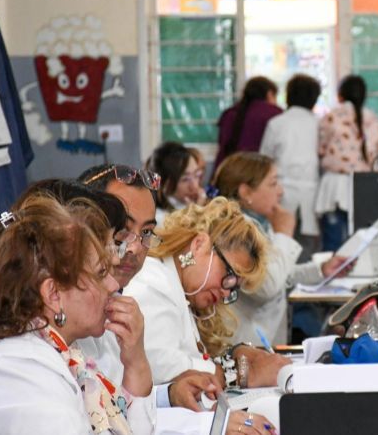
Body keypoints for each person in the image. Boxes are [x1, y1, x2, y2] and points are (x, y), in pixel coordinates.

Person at [79, 165, 276, 433]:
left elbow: (116, 403)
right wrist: (226, 382)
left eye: (146, 232)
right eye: (122, 230)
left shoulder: (129, 293)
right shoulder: (149, 284)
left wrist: (170, 395)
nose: (135, 247)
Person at [0, 194, 155, 434]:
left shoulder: (46, 351)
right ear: (53, 294)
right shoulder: (20, 375)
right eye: (100, 273)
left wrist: (135, 363)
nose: (113, 286)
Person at [126, 198, 291, 391]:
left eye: (234, 288)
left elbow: (187, 358)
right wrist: (240, 373)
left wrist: (232, 357)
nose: (225, 292)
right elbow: (162, 367)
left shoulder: (178, 288)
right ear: (199, 244)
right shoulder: (153, 282)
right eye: (229, 276)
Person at [213, 152, 352, 345]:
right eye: (273, 184)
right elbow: (267, 285)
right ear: (246, 192)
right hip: (246, 347)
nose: (280, 191)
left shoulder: (259, 222)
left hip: (265, 342)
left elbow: (281, 273)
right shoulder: (233, 230)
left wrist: (321, 270)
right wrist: (283, 235)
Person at [316, 75, 378, 251]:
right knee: (361, 245)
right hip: (363, 186)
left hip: (334, 188)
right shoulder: (373, 120)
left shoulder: (331, 117)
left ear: (340, 95)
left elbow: (321, 149)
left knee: (333, 247)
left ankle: (332, 278)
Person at [259, 74, 323, 260]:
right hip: (312, 192)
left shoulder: (276, 123)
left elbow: (263, 161)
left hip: (280, 191)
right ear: (314, 99)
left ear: (288, 96)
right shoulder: (318, 123)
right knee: (308, 249)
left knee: (279, 245)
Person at [213, 76, 282, 177]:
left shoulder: (229, 113)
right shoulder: (275, 113)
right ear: (269, 94)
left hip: (228, 171)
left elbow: (222, 144)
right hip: (258, 173)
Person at [147, 141, 208, 224]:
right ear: (166, 184)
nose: (194, 186)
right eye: (185, 179)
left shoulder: (186, 203)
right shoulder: (159, 218)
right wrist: (197, 212)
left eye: (197, 175)